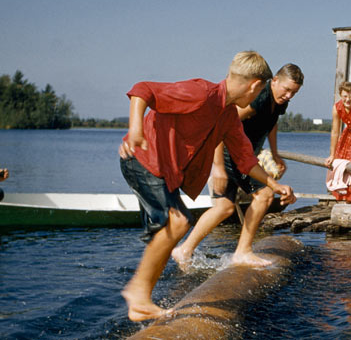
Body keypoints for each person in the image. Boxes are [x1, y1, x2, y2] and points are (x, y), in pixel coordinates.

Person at [118, 51, 296, 322]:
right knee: (177, 222)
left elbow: (246, 160)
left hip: (164, 172)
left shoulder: (227, 116)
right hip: (142, 159)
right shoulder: (200, 93)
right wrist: (135, 130)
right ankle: (137, 295)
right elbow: (143, 90)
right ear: (255, 85)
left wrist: (274, 184)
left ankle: (141, 298)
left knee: (179, 223)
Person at [172, 64, 304, 269]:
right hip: (232, 155)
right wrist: (217, 167)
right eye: (286, 89)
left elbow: (272, 123)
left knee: (224, 208)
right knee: (265, 195)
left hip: (244, 156)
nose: (289, 95)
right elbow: (223, 123)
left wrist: (275, 154)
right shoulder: (260, 97)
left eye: (294, 92)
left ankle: (184, 250)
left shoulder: (278, 102)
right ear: (274, 81)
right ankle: (242, 251)